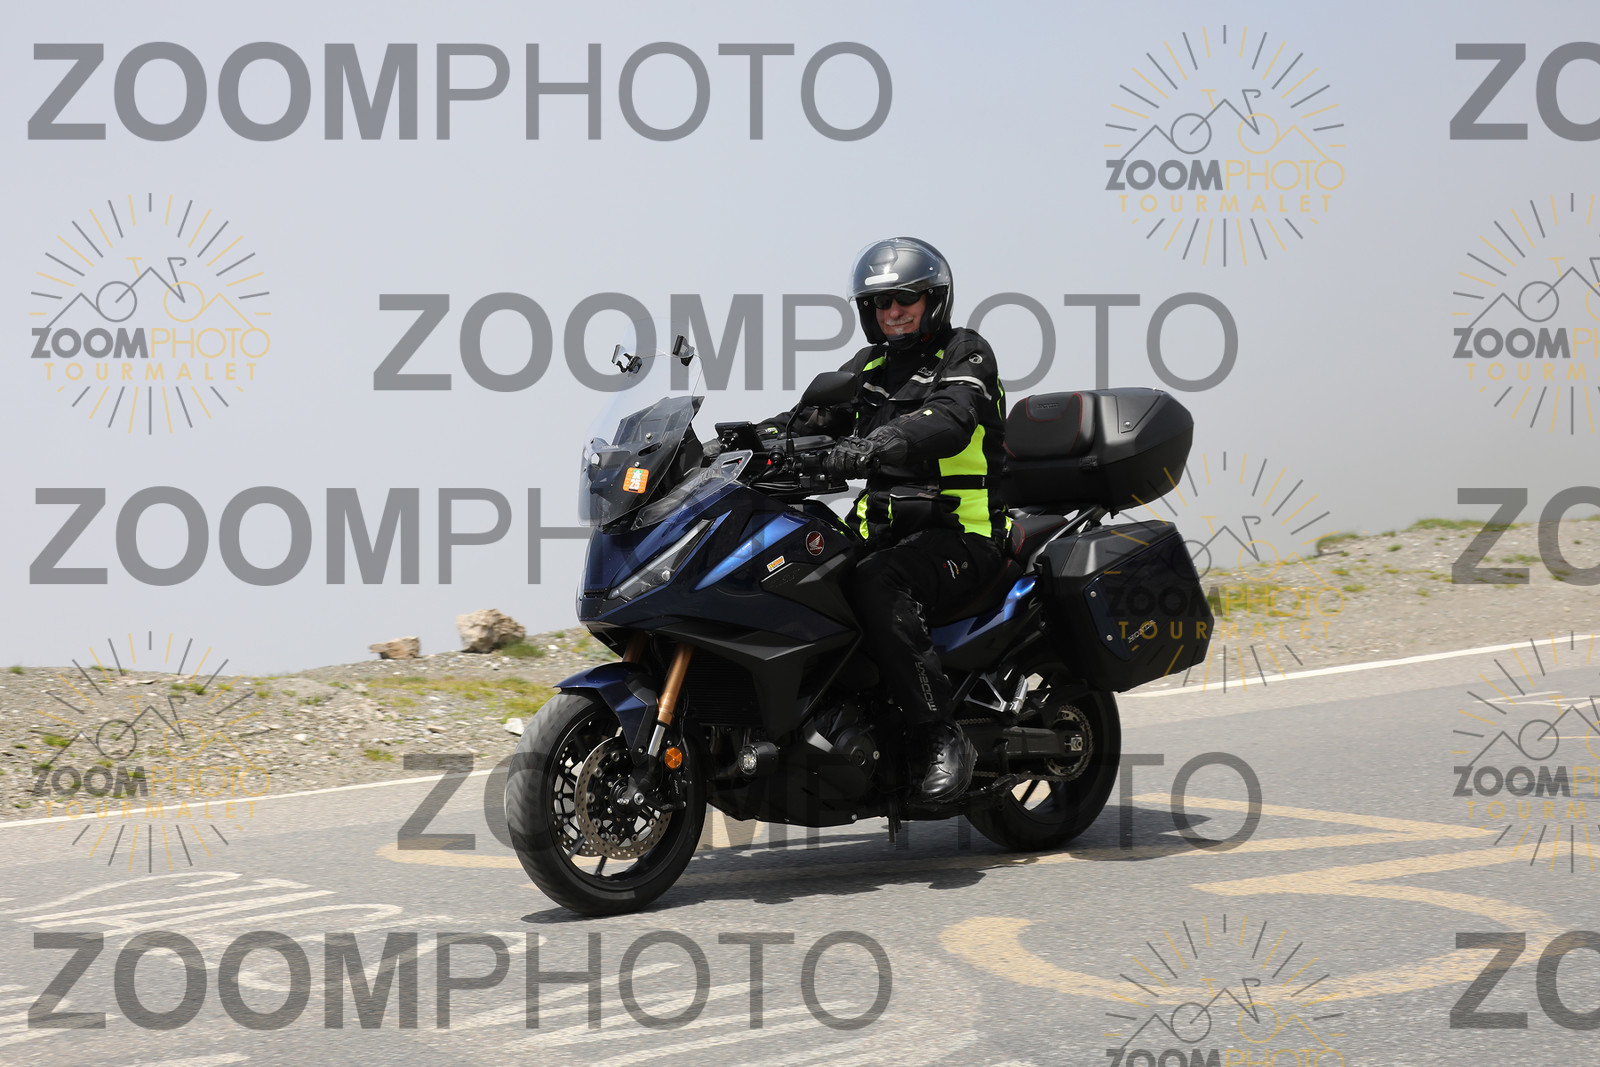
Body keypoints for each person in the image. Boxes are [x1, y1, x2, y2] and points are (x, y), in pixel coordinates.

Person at [760, 237, 1009, 802]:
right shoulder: (869, 365)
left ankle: (937, 732)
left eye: (905, 298)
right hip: (883, 533)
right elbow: (807, 419)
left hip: (961, 536)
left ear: (934, 299)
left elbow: (950, 417)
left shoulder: (966, 353)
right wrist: (736, 443)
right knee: (793, 567)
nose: (892, 311)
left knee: (877, 582)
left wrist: (878, 442)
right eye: (880, 302)